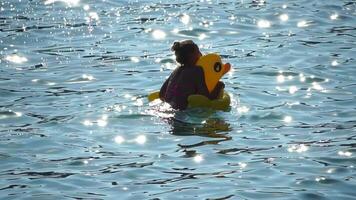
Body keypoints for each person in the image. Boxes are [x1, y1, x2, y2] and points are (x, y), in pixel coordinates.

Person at [159, 40, 225, 110]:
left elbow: (161, 94)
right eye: (198, 52)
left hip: (165, 108)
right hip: (181, 113)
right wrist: (218, 86)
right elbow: (205, 97)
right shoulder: (197, 70)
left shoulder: (177, 70)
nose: (201, 54)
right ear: (192, 55)